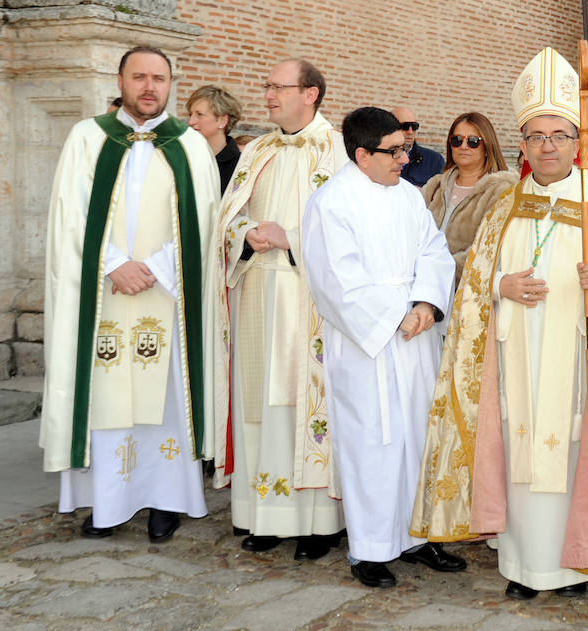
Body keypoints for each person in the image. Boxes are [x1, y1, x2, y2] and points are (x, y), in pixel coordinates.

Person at [409, 47, 588, 600]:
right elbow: (474, 282)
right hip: (516, 359)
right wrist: (498, 287)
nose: (547, 146)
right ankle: (525, 567)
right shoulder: (507, 200)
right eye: (536, 136)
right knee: (518, 458)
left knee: (572, 456)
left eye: (558, 135)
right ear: (523, 143)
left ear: (577, 140)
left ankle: (575, 567)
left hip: (575, 354)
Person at [41, 45, 220, 542]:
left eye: (159, 78)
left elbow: (205, 222)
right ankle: (109, 500)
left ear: (171, 83)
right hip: (104, 293)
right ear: (120, 81)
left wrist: (159, 267)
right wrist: (114, 264)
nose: (149, 87)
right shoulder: (86, 138)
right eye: (138, 77)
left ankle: (167, 500)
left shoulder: (190, 145)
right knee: (105, 394)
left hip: (168, 294)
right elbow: (70, 217)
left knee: (166, 397)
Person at [302, 106, 464, 589]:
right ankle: (371, 548)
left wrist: (427, 305)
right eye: (394, 151)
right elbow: (336, 281)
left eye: (405, 148)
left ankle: (419, 536)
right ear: (362, 155)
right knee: (373, 441)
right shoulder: (331, 203)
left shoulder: (409, 197)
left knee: (419, 436)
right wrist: (397, 316)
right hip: (367, 345)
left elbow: (434, 251)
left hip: (416, 337)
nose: (404, 158)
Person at [211, 59, 348, 560]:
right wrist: (242, 235)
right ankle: (264, 517)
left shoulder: (338, 151)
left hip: (310, 302)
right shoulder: (257, 150)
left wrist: (288, 238)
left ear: (310, 93)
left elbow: (350, 230)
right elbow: (228, 215)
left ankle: (319, 524)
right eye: (266, 85)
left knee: (305, 404)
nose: (267, 94)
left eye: (277, 87)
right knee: (258, 405)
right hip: (255, 294)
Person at [421, 112, 517, 283]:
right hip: (423, 284)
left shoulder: (502, 190)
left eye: (473, 142)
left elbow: (488, 249)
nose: (463, 146)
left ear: (487, 147)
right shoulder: (434, 185)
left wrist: (440, 270)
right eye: (457, 140)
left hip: (465, 293)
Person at [187, 85, 243, 195]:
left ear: (222, 121)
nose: (191, 121)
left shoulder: (240, 167)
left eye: (200, 115)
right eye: (190, 114)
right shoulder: (184, 157)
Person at [392, 106, 444, 187]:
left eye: (414, 127)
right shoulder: (379, 156)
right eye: (405, 126)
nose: (410, 132)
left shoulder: (434, 161)